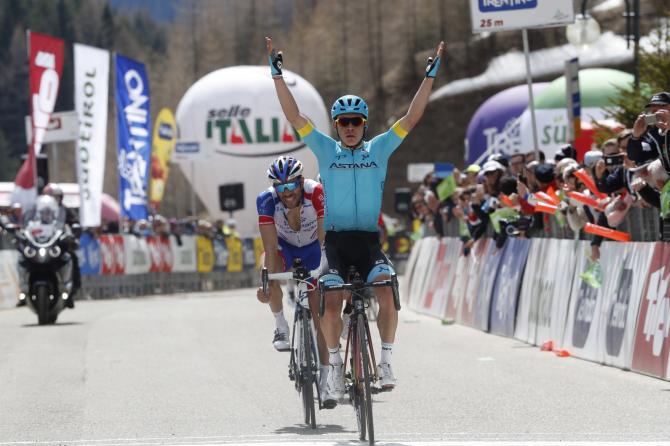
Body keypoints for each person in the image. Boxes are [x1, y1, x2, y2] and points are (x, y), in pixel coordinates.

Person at [266, 36, 444, 407]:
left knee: (387, 289)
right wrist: (277, 77)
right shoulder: (326, 150)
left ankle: (387, 362)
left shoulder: (379, 148)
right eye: (343, 122)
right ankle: (332, 367)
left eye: (355, 122)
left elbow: (411, 118)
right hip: (335, 243)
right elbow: (295, 117)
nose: (349, 127)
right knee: (330, 303)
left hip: (367, 242)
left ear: (364, 124)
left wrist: (429, 77)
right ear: (335, 124)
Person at [255, 156, 329, 382]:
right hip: (285, 247)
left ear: (301, 181)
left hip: (313, 247)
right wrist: (268, 281)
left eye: (290, 186)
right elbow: (269, 245)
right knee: (269, 270)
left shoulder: (315, 192)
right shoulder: (266, 200)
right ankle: (280, 325)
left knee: (319, 316)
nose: (286, 193)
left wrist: (325, 270)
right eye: (280, 188)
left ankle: (326, 375)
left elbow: (324, 239)